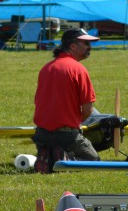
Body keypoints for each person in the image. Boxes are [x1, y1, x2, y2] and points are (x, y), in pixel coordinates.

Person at [32, 28, 101, 173]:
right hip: (67, 136)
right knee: (94, 161)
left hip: (41, 135)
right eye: (86, 43)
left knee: (52, 146)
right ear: (73, 46)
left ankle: (48, 157)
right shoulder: (78, 69)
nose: (90, 47)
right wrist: (76, 122)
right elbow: (88, 111)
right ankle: (66, 159)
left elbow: (38, 102)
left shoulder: (46, 68)